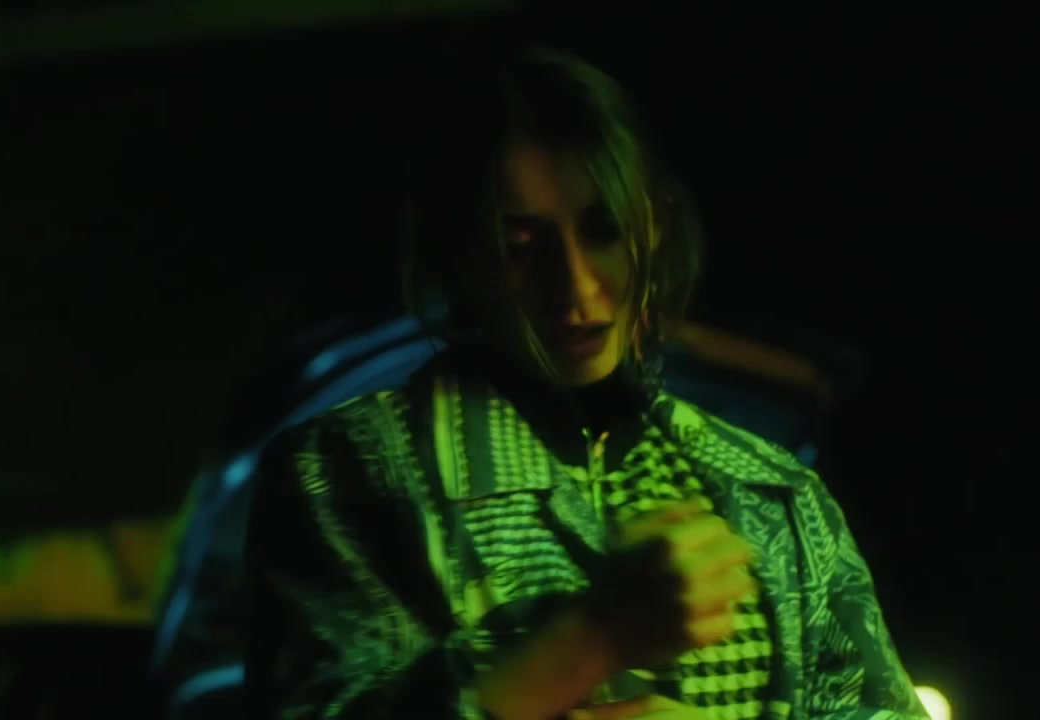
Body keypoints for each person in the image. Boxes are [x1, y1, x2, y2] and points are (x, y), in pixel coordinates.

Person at [243, 47, 930, 720]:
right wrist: (590, 636)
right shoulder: (345, 474)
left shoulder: (772, 495)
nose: (575, 286)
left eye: (604, 231)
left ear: (651, 227)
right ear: (458, 256)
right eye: (521, 249)